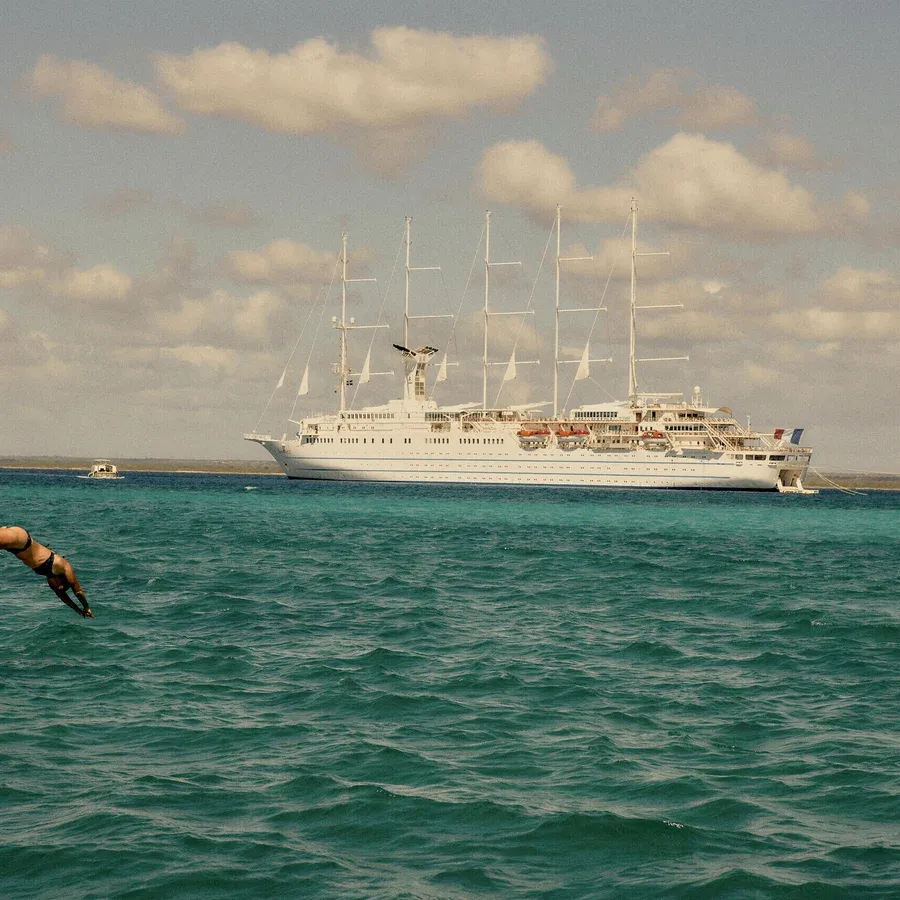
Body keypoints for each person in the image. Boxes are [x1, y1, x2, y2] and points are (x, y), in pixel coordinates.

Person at [0, 525, 93, 618]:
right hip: (22, 541)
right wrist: (86, 607)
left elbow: (62, 596)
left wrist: (78, 610)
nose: (58, 588)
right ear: (62, 581)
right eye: (61, 587)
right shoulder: (63, 565)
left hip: (16, 548)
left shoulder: (52, 579)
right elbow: (78, 592)